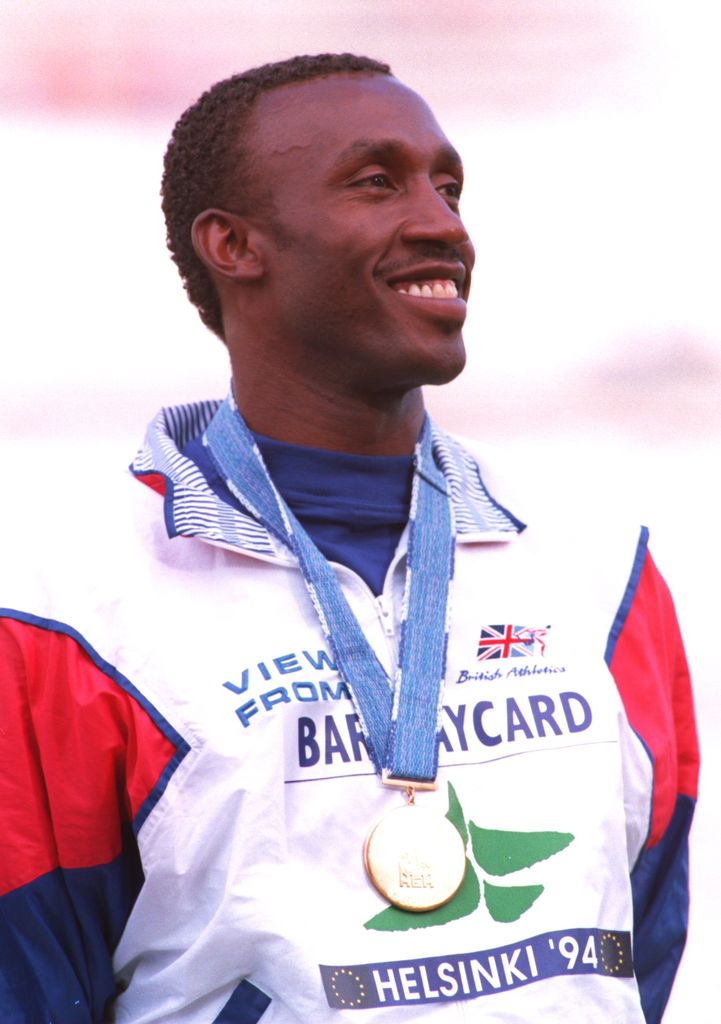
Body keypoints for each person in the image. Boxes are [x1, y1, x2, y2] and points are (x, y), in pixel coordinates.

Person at [0, 53, 698, 1024]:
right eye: (377, 183)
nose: (441, 223)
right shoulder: (71, 611)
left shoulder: (599, 568)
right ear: (234, 245)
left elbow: (639, 945)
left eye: (447, 187)